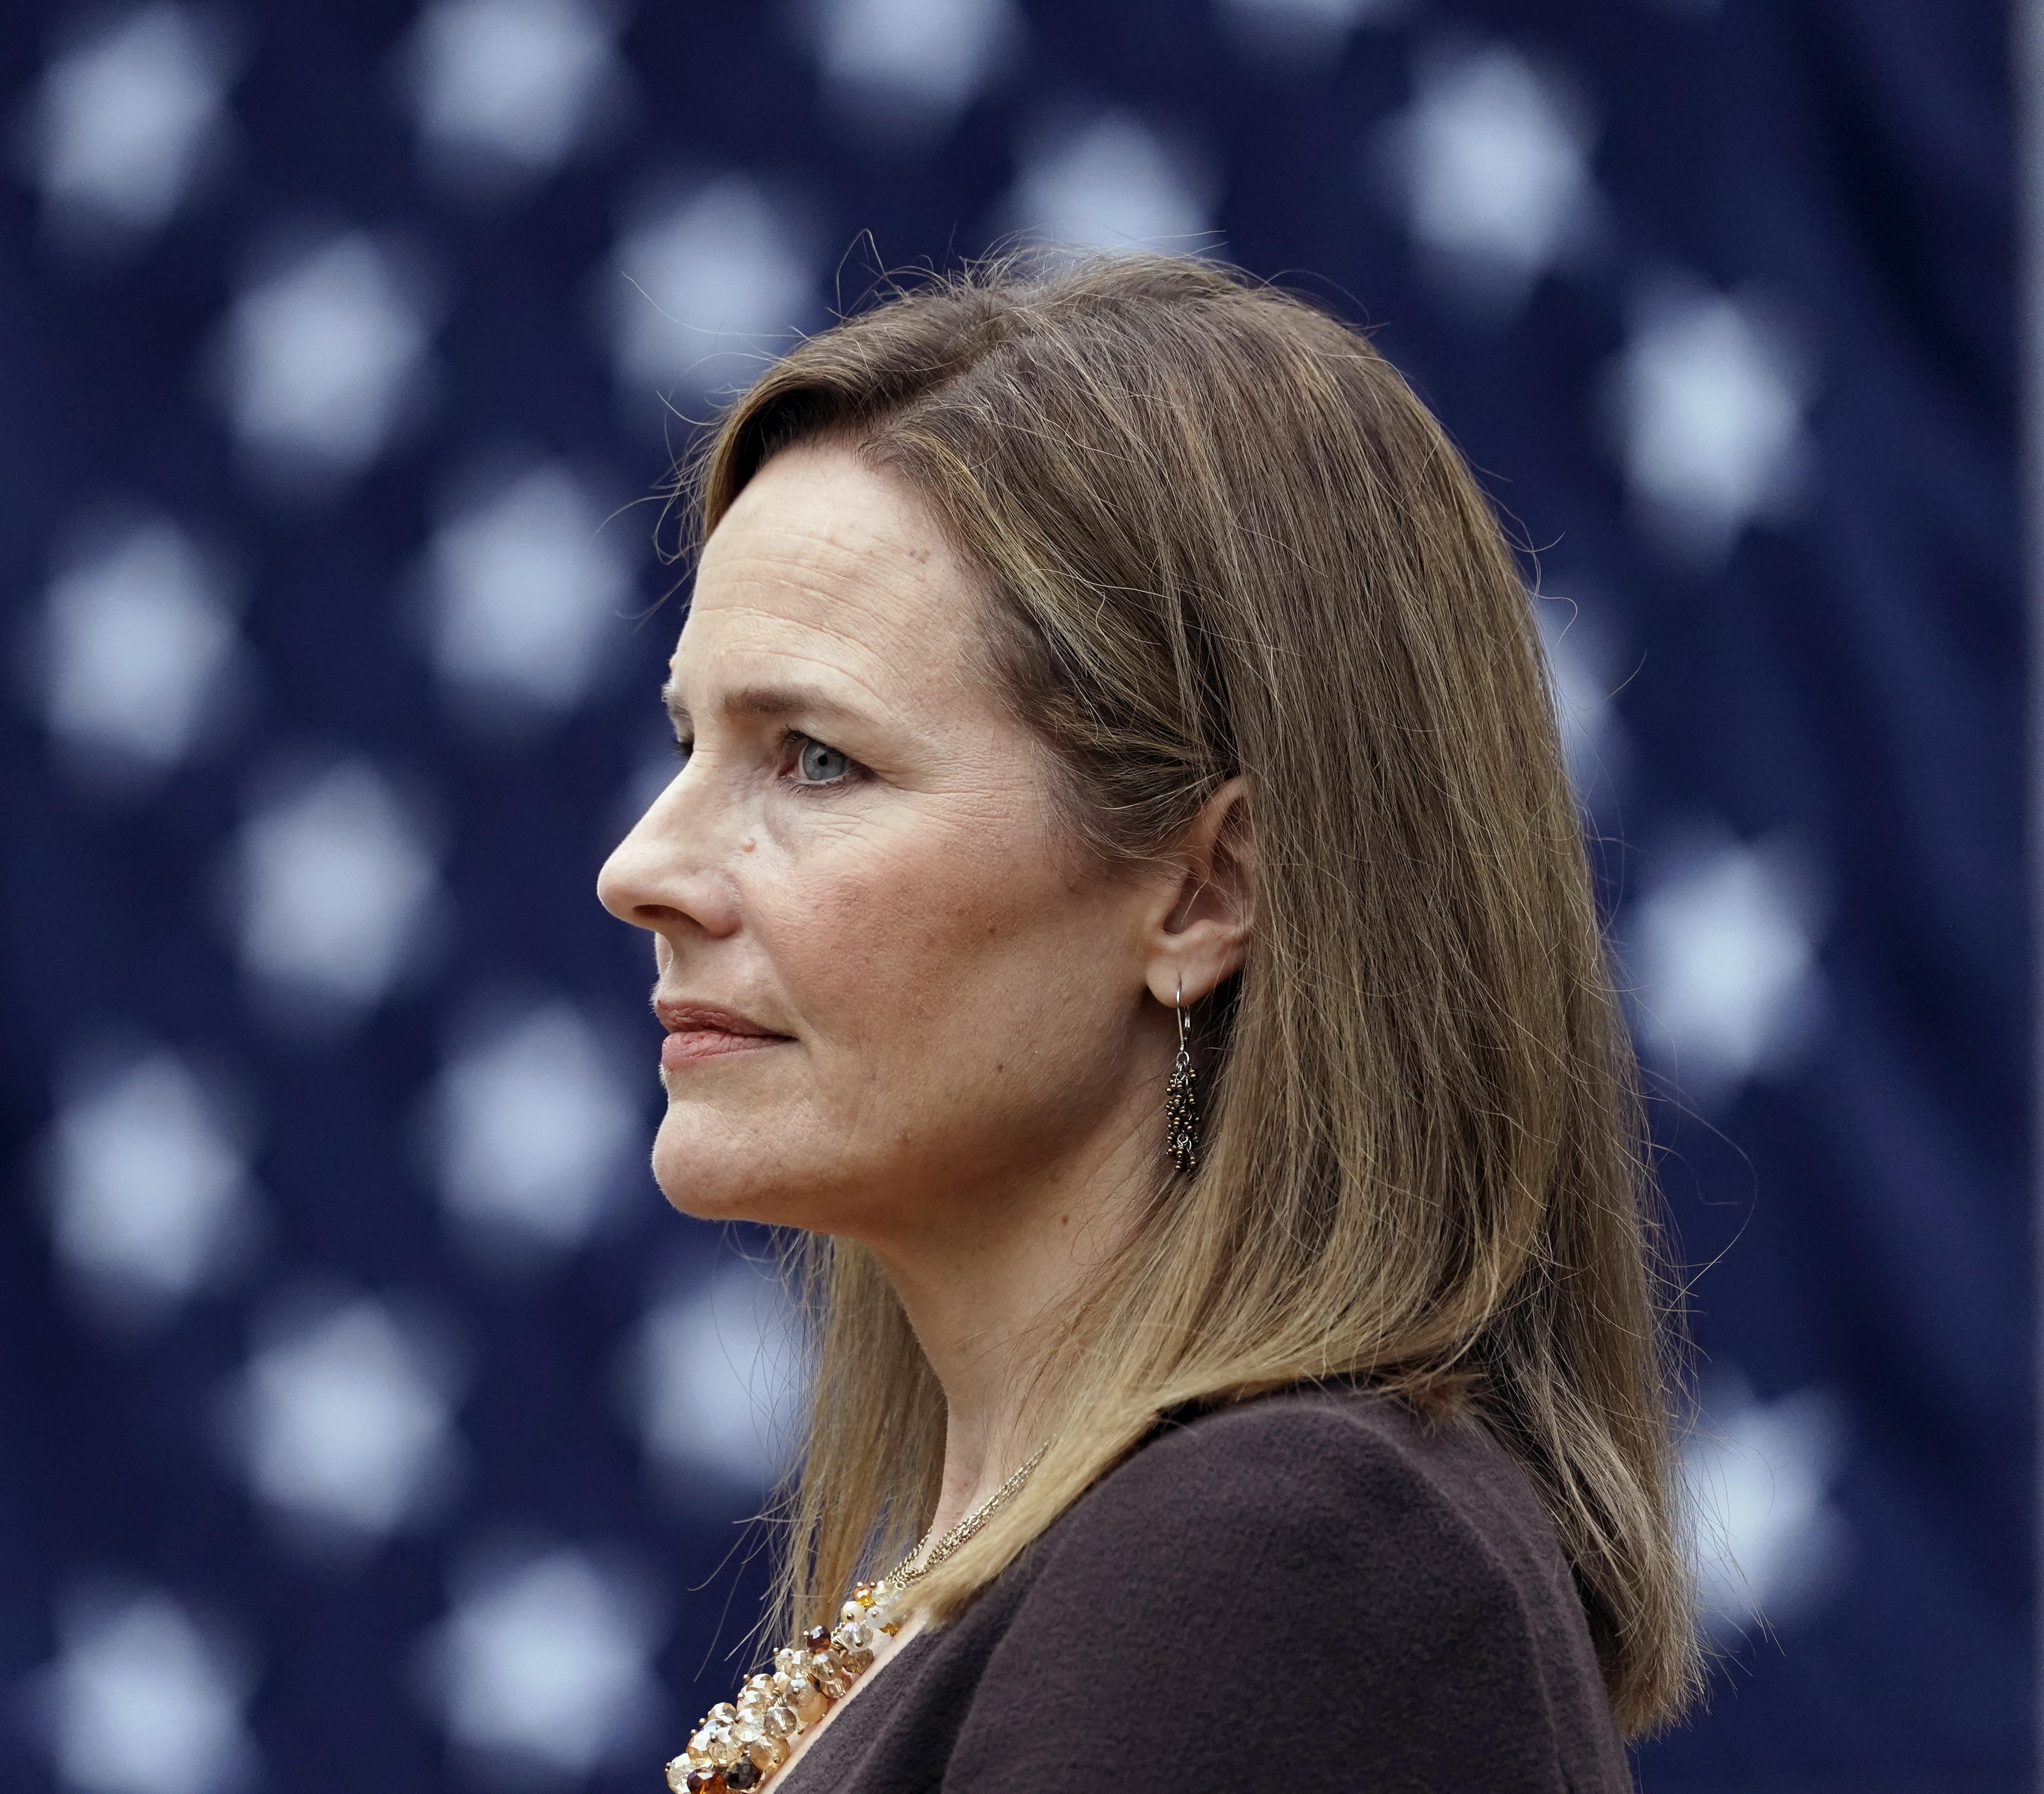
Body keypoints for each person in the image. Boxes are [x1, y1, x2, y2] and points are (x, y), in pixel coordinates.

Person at [596, 253, 1698, 1794]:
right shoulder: (1114, 1547)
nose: (641, 869)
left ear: (1202, 892)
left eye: (815, 760)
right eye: (688, 740)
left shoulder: (1285, 1567)